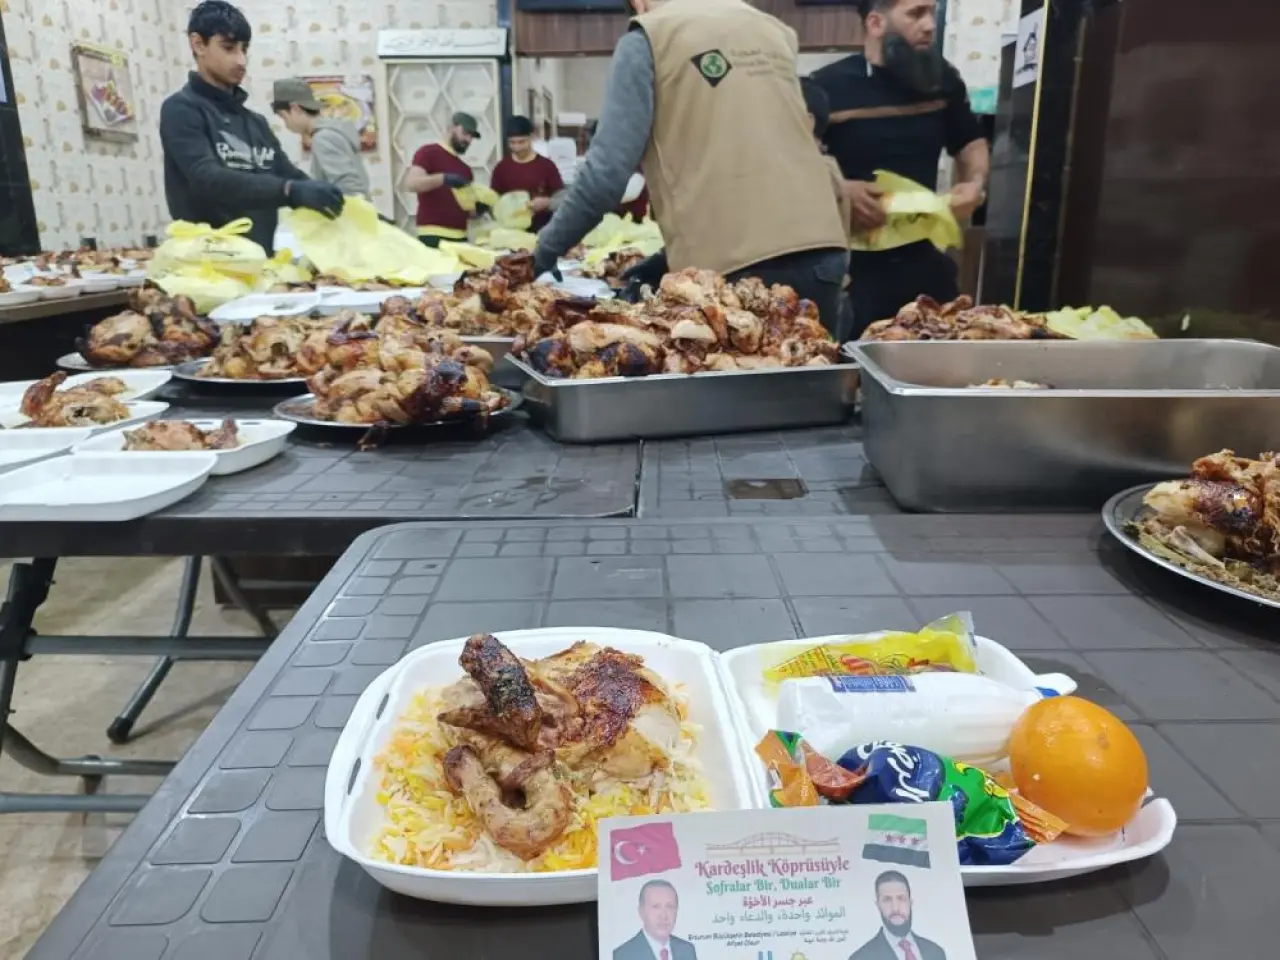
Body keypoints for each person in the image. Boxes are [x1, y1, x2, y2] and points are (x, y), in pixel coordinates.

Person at [531, 0, 849, 333]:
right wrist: (666, 258)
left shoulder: (649, 38)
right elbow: (749, 153)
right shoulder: (771, 30)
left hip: (732, 268)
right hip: (822, 249)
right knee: (813, 362)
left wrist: (540, 255)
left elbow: (605, 175)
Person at [812, 0, 989, 336]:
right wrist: (840, 189)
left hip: (924, 260)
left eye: (931, 13)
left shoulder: (943, 80)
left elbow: (970, 142)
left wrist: (975, 183)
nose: (930, 25)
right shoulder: (826, 86)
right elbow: (795, 161)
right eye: (916, 13)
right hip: (850, 270)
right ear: (876, 23)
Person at [159, 1, 345, 255]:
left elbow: (288, 175)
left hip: (260, 263)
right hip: (207, 266)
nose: (241, 60)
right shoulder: (181, 109)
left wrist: (349, 208)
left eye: (244, 49)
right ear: (198, 44)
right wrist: (288, 192)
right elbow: (207, 178)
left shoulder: (255, 122)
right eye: (228, 48)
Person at [271, 77, 372, 200]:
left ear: (295, 108)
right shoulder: (334, 132)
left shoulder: (324, 138)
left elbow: (350, 188)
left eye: (284, 117)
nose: (285, 124)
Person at [404, 112, 480, 247]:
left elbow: (468, 210)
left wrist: (479, 208)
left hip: (461, 237)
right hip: (432, 235)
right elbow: (411, 184)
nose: (468, 140)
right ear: (451, 128)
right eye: (465, 133)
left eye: (471, 136)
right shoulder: (428, 153)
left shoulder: (465, 170)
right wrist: (443, 178)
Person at [489, 115, 564, 232]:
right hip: (511, 233)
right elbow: (493, 202)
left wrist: (547, 203)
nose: (517, 147)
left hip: (543, 231)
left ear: (531, 138)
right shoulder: (501, 168)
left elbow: (563, 199)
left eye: (521, 142)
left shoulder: (547, 166)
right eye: (512, 143)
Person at [849, 871, 946, 960]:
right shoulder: (861, 958)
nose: (895, 908)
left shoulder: (936, 952)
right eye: (887, 900)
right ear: (878, 905)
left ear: (910, 902)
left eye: (901, 898)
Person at [614, 880, 698, 960]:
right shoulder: (622, 955)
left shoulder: (687, 950)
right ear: (641, 911)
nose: (664, 916)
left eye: (670, 906)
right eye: (656, 907)